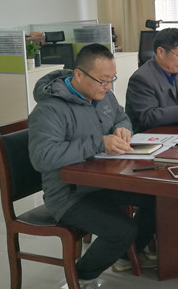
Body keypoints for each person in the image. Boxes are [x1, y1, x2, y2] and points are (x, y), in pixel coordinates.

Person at [28, 44, 156, 288]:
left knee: (157, 198)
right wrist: (99, 143)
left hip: (106, 181)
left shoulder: (104, 96)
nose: (108, 87)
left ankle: (124, 256)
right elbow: (42, 157)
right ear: (78, 75)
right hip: (69, 194)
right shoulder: (50, 109)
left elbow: (121, 116)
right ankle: (79, 278)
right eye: (102, 80)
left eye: (112, 80)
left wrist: (123, 128)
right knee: (121, 230)